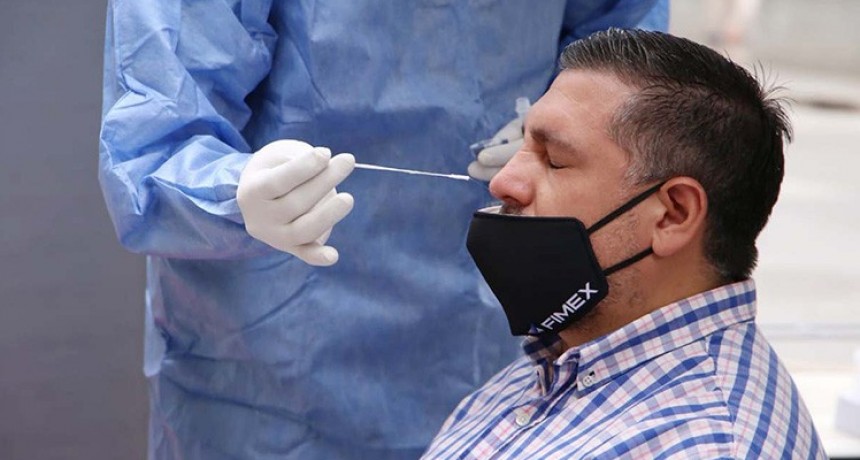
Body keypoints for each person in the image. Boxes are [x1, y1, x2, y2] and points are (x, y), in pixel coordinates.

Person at [98, 1, 668, 459]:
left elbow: (625, 42)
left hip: (493, 330)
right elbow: (154, 136)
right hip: (272, 365)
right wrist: (230, 190)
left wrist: (569, 116)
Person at [422, 29, 827, 459]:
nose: (503, 182)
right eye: (523, 145)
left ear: (673, 214)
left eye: (554, 160)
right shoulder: (561, 361)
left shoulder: (703, 445)